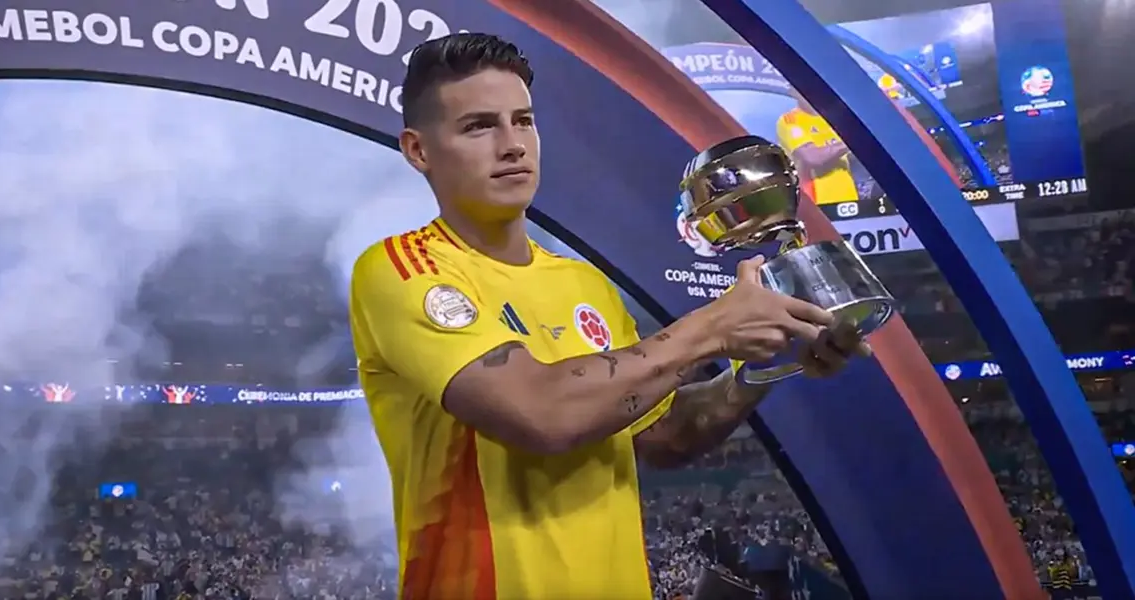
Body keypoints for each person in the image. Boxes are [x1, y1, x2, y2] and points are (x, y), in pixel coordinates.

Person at [348, 33, 870, 600]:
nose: (512, 144)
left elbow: (664, 436)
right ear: (418, 149)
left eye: (523, 121)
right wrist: (711, 328)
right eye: (479, 126)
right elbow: (539, 413)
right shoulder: (400, 269)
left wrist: (762, 364)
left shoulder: (583, 284)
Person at [775, 88, 863, 206]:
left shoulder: (837, 119)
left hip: (848, 196)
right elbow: (813, 157)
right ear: (793, 91)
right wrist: (851, 141)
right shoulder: (789, 121)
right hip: (816, 199)